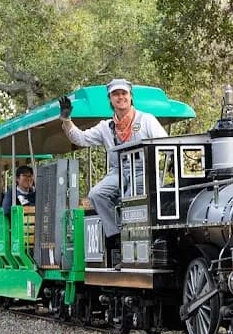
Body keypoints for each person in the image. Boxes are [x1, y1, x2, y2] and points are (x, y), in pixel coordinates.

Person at [59, 78, 167, 243]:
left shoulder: (146, 119)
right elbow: (80, 139)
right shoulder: (106, 127)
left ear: (130, 96)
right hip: (119, 172)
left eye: (124, 93)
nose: (120, 97)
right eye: (116, 94)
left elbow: (164, 143)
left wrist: (167, 162)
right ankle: (116, 236)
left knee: (129, 198)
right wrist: (66, 120)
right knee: (96, 194)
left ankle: (137, 237)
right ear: (110, 99)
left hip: (144, 170)